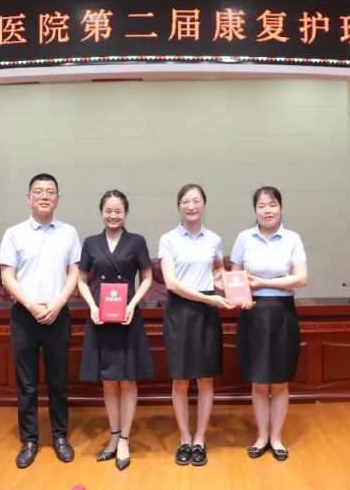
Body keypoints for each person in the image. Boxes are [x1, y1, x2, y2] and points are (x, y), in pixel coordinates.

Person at [0, 173, 81, 469]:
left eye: (50, 192)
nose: (44, 196)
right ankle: (30, 440)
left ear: (58, 198)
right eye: (38, 191)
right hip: (25, 316)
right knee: (27, 383)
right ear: (28, 197)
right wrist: (32, 306)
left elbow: (74, 273)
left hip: (58, 314)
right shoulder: (14, 234)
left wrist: (58, 304)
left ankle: (60, 437)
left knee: (58, 381)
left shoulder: (69, 233)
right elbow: (7, 277)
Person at [77, 190, 154, 471]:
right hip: (100, 316)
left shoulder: (137, 241)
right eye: (108, 211)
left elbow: (147, 277)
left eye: (118, 211)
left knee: (128, 380)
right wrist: (92, 306)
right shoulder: (90, 242)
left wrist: (133, 304)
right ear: (101, 212)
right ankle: (113, 436)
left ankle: (124, 439)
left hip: (127, 315)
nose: (113, 215)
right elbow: (82, 280)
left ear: (126, 213)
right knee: (109, 380)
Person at [158, 183, 235, 467]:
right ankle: (184, 438)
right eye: (186, 201)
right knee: (180, 379)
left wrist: (231, 285)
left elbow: (217, 270)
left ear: (204, 205)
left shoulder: (214, 239)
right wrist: (210, 298)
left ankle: (200, 439)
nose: (191, 206)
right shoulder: (168, 239)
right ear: (179, 206)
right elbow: (171, 283)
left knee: (205, 379)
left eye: (196, 201)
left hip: (206, 314)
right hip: (180, 311)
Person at [229, 186, 308, 462]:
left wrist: (264, 282)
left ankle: (277, 437)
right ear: (255, 210)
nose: (267, 210)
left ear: (281, 208)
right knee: (260, 381)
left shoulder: (292, 238)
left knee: (280, 380)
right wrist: (241, 296)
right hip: (253, 312)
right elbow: (235, 278)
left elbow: (301, 278)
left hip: (282, 312)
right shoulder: (244, 238)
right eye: (262, 206)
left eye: (272, 205)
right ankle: (262, 436)